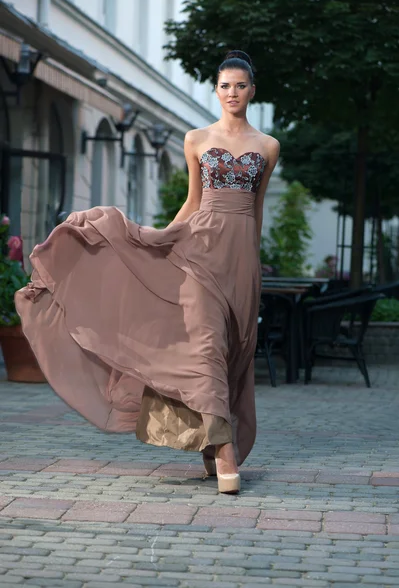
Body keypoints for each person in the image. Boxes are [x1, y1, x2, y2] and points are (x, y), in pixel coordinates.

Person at [15, 50, 280, 494]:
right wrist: (160, 239)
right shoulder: (196, 139)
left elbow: (256, 210)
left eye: (240, 85)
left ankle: (210, 445)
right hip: (200, 253)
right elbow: (195, 202)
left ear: (253, 91)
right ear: (215, 91)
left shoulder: (268, 146)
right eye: (224, 85)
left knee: (233, 353)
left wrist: (255, 272)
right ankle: (227, 452)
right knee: (205, 347)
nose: (232, 92)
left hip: (241, 264)